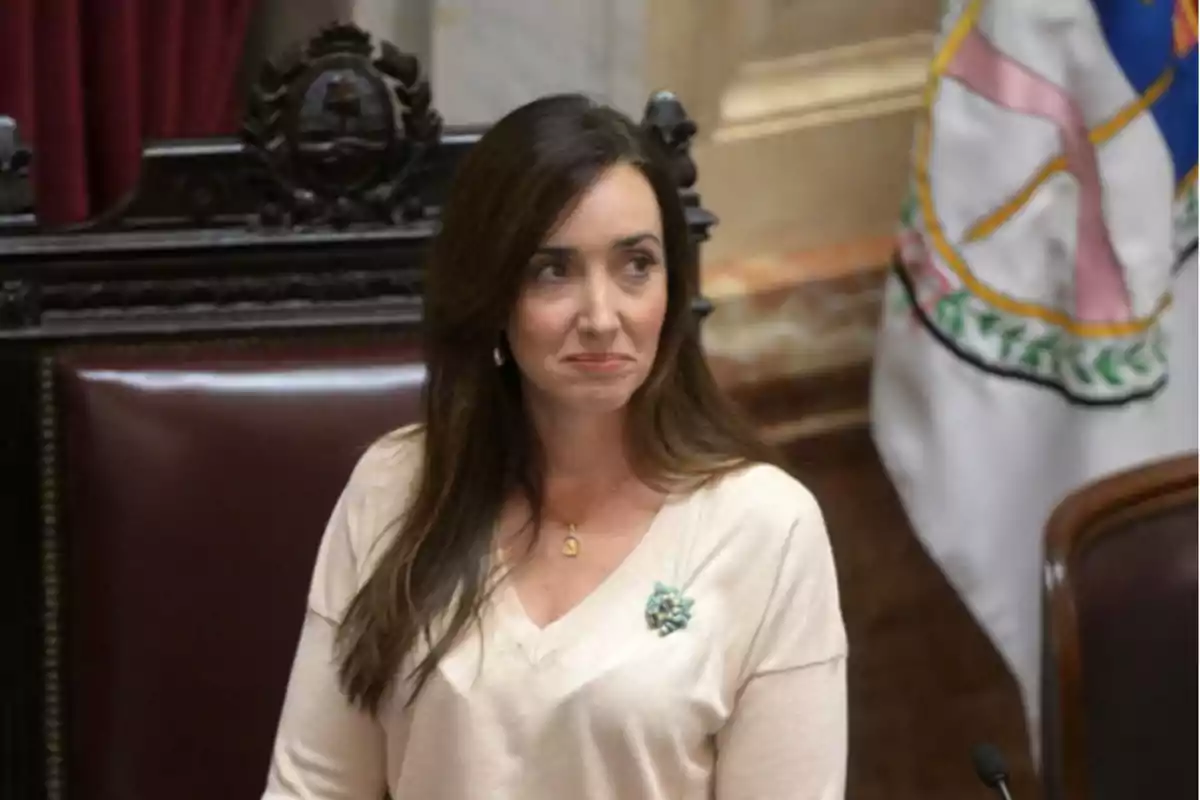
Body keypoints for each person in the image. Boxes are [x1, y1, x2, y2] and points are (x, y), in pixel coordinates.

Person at [263, 93, 847, 800]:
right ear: (491, 294)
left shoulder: (766, 527)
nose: (602, 317)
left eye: (636, 265)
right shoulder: (395, 487)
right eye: (553, 270)